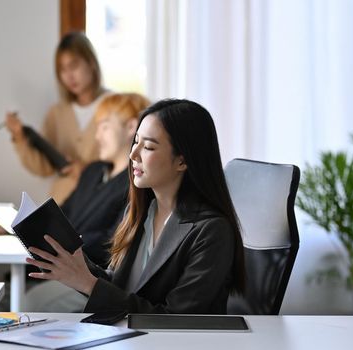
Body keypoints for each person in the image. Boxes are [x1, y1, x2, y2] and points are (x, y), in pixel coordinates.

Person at [26, 99, 246, 314]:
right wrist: (78, 268)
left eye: (148, 147)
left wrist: (89, 284)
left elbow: (176, 319)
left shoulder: (211, 231)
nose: (133, 155)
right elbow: (124, 288)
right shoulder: (143, 211)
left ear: (182, 161)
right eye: (136, 142)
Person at [23, 92, 150, 312]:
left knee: (30, 300)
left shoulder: (137, 184)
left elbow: (111, 244)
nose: (97, 136)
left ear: (131, 127)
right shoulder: (92, 172)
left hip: (93, 275)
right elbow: (61, 214)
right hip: (63, 264)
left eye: (104, 127)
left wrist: (59, 246)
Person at [5, 32, 108, 205]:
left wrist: (88, 172)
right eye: (62, 69)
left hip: (98, 205)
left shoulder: (114, 106)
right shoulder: (57, 113)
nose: (69, 76)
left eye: (73, 66)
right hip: (60, 206)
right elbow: (43, 167)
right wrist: (20, 137)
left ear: (91, 62)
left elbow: (125, 167)